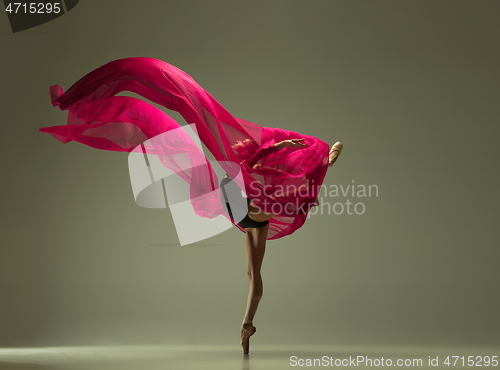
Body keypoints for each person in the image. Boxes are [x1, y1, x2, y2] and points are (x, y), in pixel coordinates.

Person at [39, 57, 343, 354]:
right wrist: (282, 147)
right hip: (235, 191)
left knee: (253, 273)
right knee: (196, 118)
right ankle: (320, 162)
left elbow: (256, 281)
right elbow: (256, 164)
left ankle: (246, 326)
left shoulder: (260, 225)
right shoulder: (264, 202)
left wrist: (247, 322)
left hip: (228, 197)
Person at [220, 138, 343, 354]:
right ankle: (246, 325)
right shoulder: (233, 168)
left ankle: (322, 170)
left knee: (279, 199)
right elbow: (257, 156)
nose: (234, 145)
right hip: (250, 223)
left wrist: (281, 144)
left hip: (250, 213)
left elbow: (259, 154)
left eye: (237, 145)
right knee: (253, 276)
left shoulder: (239, 168)